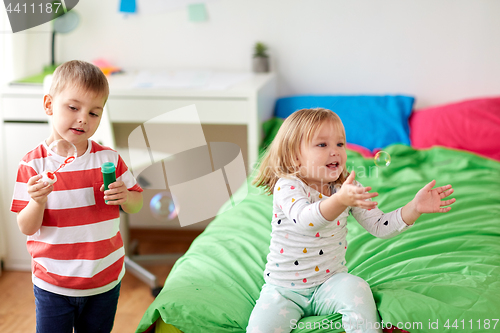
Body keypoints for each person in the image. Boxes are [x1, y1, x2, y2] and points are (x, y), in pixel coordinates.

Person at [247, 108, 455, 333]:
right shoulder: (288, 185)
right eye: (322, 145)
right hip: (284, 290)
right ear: (295, 157)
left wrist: (414, 208)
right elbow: (306, 219)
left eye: (340, 144)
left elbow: (380, 226)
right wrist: (340, 200)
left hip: (330, 283)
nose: (335, 151)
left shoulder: (345, 188)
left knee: (358, 288)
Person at [10, 60, 144, 333]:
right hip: (53, 284)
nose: (83, 118)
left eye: (94, 113)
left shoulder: (109, 159)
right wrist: (37, 201)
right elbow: (26, 226)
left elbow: (137, 203)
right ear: (49, 105)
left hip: (104, 279)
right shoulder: (33, 165)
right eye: (73, 107)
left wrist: (125, 197)